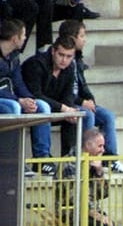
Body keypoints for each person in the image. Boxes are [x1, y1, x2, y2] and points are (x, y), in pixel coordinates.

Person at [58, 19, 123, 172]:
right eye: (82, 36)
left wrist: (90, 99)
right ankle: (89, 157)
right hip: (70, 103)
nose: (85, 39)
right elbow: (65, 92)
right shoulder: (63, 59)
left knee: (107, 115)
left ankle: (110, 159)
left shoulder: (77, 59)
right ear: (72, 38)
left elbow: (83, 85)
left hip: (82, 102)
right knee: (88, 115)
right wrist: (82, 102)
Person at [21, 34, 90, 171]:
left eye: (69, 56)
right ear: (53, 51)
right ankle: (42, 160)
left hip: (54, 109)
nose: (64, 60)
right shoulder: (36, 64)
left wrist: (69, 110)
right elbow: (36, 94)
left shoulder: (69, 68)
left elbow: (68, 94)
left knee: (79, 114)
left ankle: (69, 160)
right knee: (44, 106)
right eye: (61, 55)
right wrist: (64, 108)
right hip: (31, 108)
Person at [0, 18, 51, 175]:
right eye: (23, 35)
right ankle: (12, 161)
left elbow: (19, 83)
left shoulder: (14, 57)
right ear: (15, 38)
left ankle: (42, 160)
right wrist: (19, 101)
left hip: (10, 97)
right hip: (6, 100)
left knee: (42, 106)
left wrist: (29, 99)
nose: (24, 38)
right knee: (13, 107)